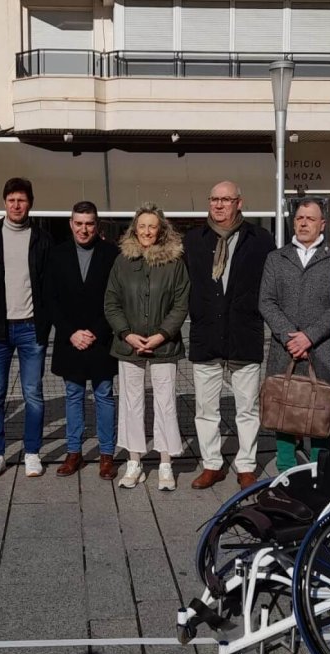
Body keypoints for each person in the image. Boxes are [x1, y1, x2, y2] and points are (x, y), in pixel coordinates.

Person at [184, 181, 274, 490]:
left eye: (226, 199)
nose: (219, 205)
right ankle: (212, 464)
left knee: (246, 408)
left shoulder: (261, 239)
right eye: (214, 199)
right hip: (206, 334)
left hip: (243, 334)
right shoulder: (194, 240)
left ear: (239, 202)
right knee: (205, 409)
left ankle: (246, 465)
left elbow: (270, 287)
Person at [259, 199, 330, 474]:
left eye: (310, 218)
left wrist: (309, 336)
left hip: (320, 348)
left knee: (320, 406)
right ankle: (286, 466)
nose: (303, 222)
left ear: (322, 223)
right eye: (299, 217)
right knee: (285, 405)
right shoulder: (277, 258)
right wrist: (291, 337)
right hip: (284, 347)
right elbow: (266, 301)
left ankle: (318, 467)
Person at [104, 202, 190, 490]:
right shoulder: (122, 262)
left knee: (165, 403)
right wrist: (126, 334)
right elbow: (111, 302)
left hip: (163, 345)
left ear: (161, 230)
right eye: (142, 226)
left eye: (152, 226)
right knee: (131, 403)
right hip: (129, 345)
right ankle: (134, 461)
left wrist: (162, 334)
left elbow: (180, 304)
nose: (147, 231)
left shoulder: (174, 263)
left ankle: (165, 462)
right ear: (134, 229)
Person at [0, 177, 51, 479]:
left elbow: (46, 283)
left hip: (31, 327)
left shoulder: (42, 239)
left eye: (22, 199)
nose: (17, 205)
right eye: (11, 200)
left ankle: (32, 452)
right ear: (4, 203)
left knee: (33, 393)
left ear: (30, 202)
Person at [46, 201, 120, 480]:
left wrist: (96, 331)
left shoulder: (111, 254)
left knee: (104, 396)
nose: (84, 229)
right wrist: (71, 332)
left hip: (100, 339)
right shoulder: (57, 254)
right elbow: (50, 299)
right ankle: (74, 452)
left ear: (96, 225)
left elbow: (116, 299)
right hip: (70, 339)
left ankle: (106, 455)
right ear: (71, 224)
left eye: (89, 223)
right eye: (79, 223)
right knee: (74, 396)